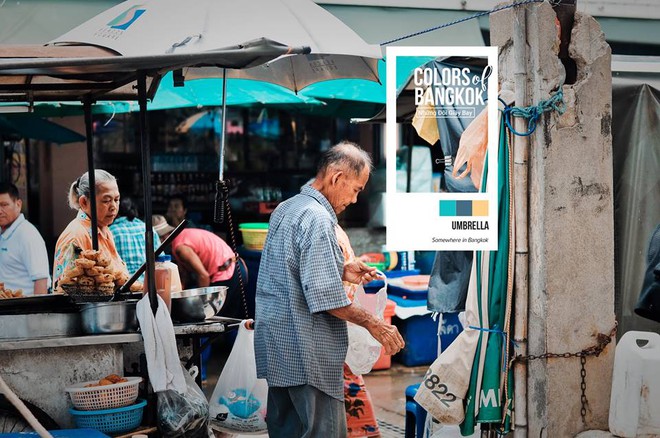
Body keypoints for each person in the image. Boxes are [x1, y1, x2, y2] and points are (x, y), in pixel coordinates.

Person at [255, 142, 405, 438]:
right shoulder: (319, 218)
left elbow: (293, 270)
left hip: (278, 349)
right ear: (337, 178)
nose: (354, 199)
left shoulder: (287, 208)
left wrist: (342, 269)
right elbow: (325, 298)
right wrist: (376, 324)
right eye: (357, 190)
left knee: (286, 430)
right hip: (307, 352)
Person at [152, 215, 246, 318]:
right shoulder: (182, 236)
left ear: (162, 238)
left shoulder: (181, 248)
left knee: (218, 319)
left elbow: (203, 276)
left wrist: (201, 306)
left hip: (228, 273)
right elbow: (185, 276)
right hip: (237, 267)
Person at [335, 224, 381, 438]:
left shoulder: (331, 228)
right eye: (355, 190)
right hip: (334, 323)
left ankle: (366, 432)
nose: (353, 200)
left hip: (343, 323)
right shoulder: (320, 226)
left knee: (351, 383)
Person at [53, 170, 130, 292]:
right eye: (106, 200)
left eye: (116, 199)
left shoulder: (105, 229)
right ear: (84, 202)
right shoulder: (75, 236)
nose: (113, 207)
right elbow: (67, 289)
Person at [0, 182, 50, 295]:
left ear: (18, 204)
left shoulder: (28, 235)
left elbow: (41, 280)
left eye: (4, 205)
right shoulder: (3, 233)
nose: (0, 211)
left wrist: (37, 312)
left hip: (23, 310)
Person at [109, 197, 161, 281]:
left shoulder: (111, 232)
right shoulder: (148, 229)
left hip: (125, 287)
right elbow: (161, 260)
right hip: (150, 286)